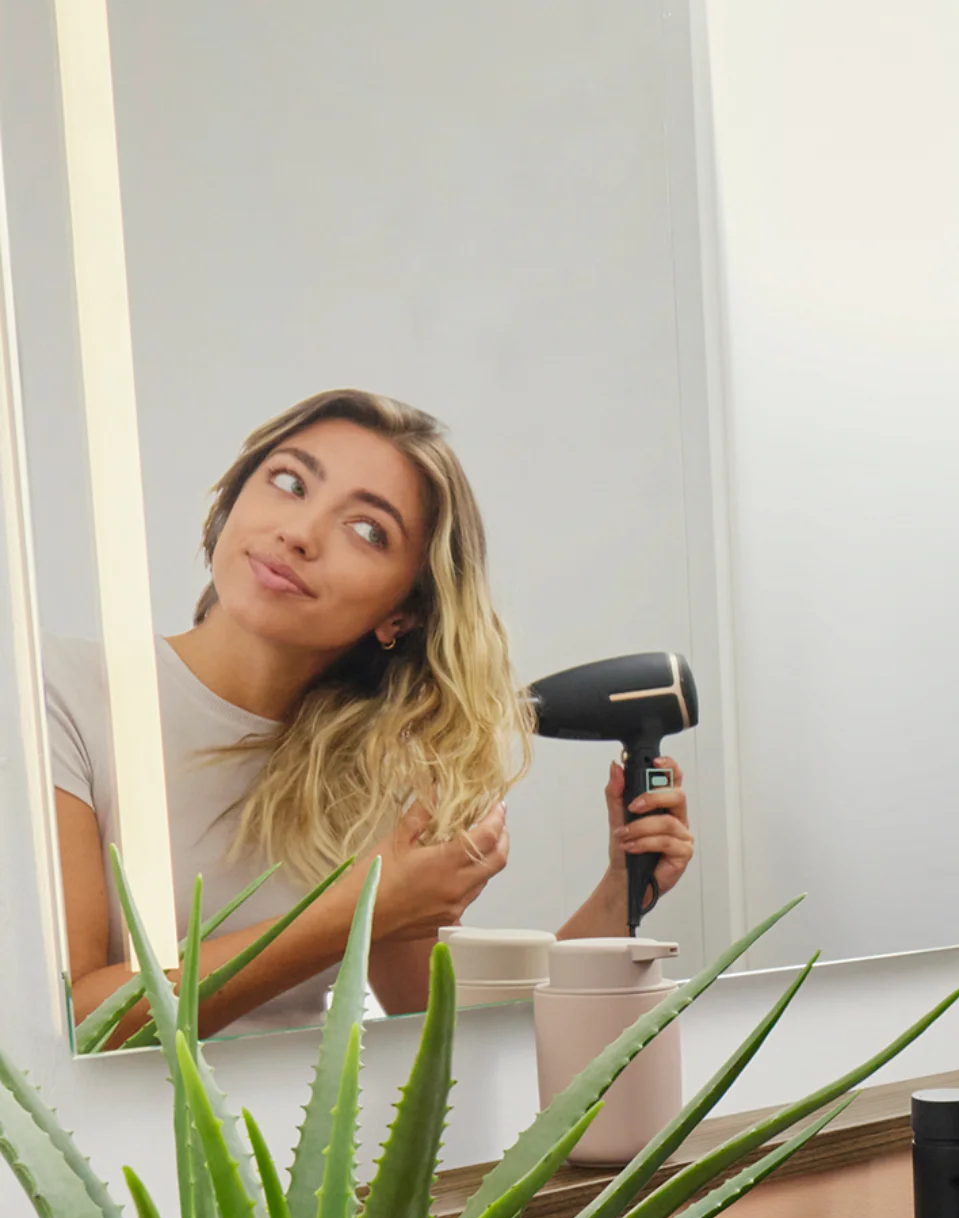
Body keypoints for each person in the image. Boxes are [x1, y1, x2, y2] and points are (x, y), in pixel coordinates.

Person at [48, 387, 695, 1035]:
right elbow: (76, 1024)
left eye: (367, 530)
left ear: (401, 614)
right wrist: (363, 908)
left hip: (303, 1139)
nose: (298, 534)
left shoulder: (372, 776)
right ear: (229, 506)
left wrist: (620, 890)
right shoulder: (60, 694)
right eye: (289, 481)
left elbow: (455, 1031)